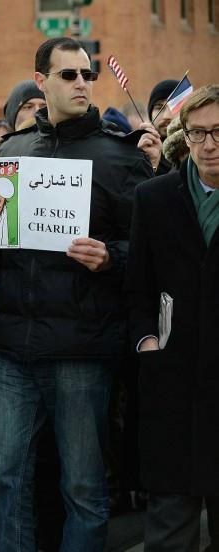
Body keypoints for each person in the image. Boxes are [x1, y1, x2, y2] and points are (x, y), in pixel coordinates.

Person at [0, 37, 153, 552]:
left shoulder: (118, 158)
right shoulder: (8, 154)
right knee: (5, 480)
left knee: (82, 487)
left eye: (87, 74)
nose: (82, 83)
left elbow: (147, 253)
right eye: (69, 75)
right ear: (41, 81)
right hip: (11, 348)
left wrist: (110, 257)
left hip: (83, 349)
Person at [126, 84, 219, 552]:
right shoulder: (154, 197)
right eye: (198, 132)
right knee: (169, 527)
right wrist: (147, 341)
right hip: (174, 382)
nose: (209, 144)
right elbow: (137, 286)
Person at [149, 79, 181, 175]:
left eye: (174, 107)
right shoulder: (138, 152)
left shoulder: (198, 152)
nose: (166, 116)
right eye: (159, 108)